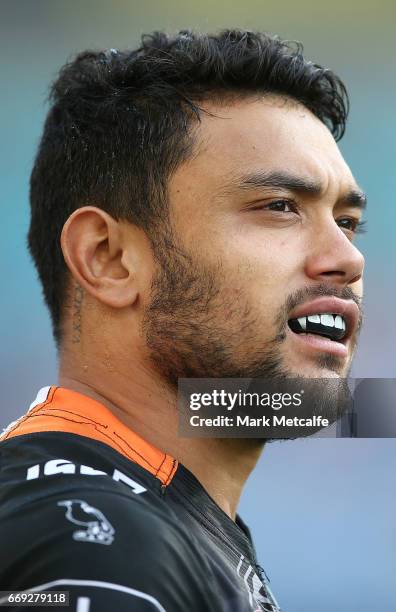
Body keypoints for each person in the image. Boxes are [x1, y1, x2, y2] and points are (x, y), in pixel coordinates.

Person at [0, 28, 365, 611]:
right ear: (108, 259)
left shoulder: (141, 520)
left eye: (346, 221)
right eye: (279, 207)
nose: (347, 259)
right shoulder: (94, 544)